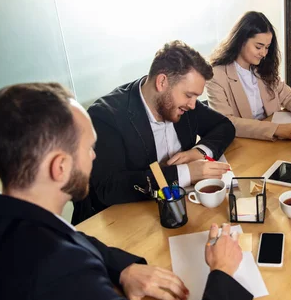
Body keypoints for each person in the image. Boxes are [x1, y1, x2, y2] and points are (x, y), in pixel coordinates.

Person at [0, 82, 253, 300]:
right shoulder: (63, 279)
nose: (95, 156)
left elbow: (68, 236)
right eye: (90, 148)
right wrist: (223, 271)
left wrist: (124, 268)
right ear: (59, 167)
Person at [75, 41, 236, 223]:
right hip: (129, 223)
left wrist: (198, 152)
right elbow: (108, 188)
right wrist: (186, 173)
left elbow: (225, 126)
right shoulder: (106, 116)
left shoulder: (185, 104)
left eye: (196, 97)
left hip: (185, 211)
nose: (193, 105)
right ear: (162, 82)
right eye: (189, 95)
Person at [206, 11, 291, 141]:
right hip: (244, 143)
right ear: (240, 41)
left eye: (267, 47)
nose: (263, 53)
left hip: (273, 141)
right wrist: (276, 129)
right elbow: (226, 122)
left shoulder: (262, 68)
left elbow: (289, 95)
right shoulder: (216, 75)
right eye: (258, 47)